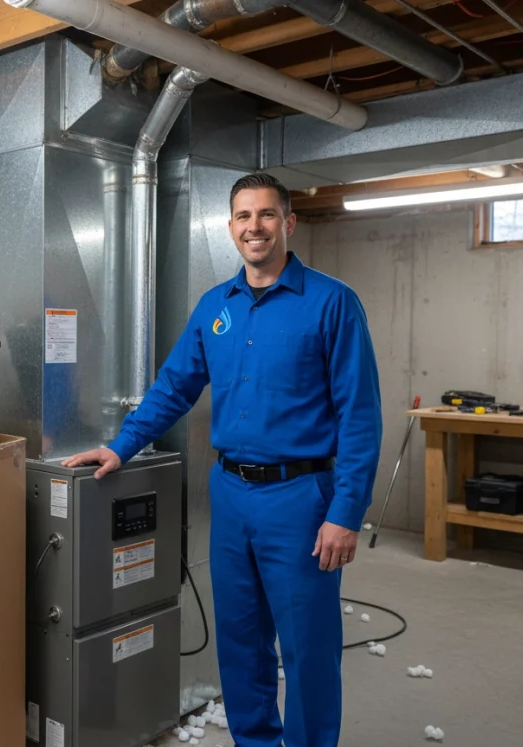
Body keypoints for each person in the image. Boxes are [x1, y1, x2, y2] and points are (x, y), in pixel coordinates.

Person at [62, 172, 383, 747]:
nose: (253, 227)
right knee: (240, 640)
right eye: (242, 216)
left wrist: (345, 513)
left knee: (307, 647)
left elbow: (360, 415)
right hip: (231, 496)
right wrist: (120, 446)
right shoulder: (216, 307)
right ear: (231, 227)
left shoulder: (333, 304)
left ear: (288, 223)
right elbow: (173, 388)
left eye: (265, 215)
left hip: (302, 500)